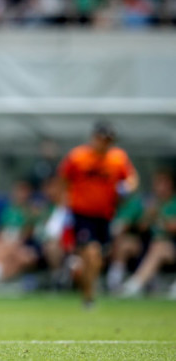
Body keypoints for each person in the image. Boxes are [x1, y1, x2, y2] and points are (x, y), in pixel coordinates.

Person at [58, 121, 138, 308]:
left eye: (109, 140)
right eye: (103, 139)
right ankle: (89, 296)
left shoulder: (118, 158)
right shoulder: (78, 157)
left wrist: (127, 188)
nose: (106, 144)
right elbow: (63, 179)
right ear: (94, 138)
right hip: (82, 214)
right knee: (92, 253)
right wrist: (64, 206)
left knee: (97, 259)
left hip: (104, 215)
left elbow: (132, 178)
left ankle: (85, 289)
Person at [120, 169, 176, 297]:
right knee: (124, 243)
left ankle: (135, 285)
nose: (160, 187)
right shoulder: (151, 202)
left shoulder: (173, 203)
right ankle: (114, 281)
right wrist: (147, 216)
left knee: (159, 246)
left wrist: (159, 216)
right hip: (147, 245)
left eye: (164, 183)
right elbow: (142, 227)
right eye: (158, 183)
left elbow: (173, 227)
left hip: (170, 248)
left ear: (171, 185)